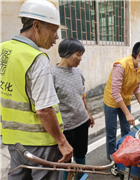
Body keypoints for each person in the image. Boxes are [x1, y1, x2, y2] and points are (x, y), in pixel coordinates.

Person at [0, 1, 73, 179]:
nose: (56, 37)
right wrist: (62, 142)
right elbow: (44, 109)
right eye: (54, 30)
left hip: (13, 140)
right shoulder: (36, 58)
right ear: (37, 26)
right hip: (40, 143)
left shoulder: (3, 50)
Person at [103, 42, 140, 160]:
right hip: (112, 102)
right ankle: (112, 159)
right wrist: (127, 113)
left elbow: (136, 89)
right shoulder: (121, 66)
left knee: (126, 130)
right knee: (111, 133)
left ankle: (126, 154)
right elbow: (115, 92)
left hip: (125, 101)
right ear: (139, 55)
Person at [51, 38, 95, 180]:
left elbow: (82, 95)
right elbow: (49, 107)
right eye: (78, 54)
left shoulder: (78, 72)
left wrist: (88, 114)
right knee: (66, 159)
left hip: (82, 122)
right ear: (66, 53)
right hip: (65, 127)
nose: (80, 59)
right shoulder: (52, 75)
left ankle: (80, 177)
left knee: (81, 153)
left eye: (81, 55)